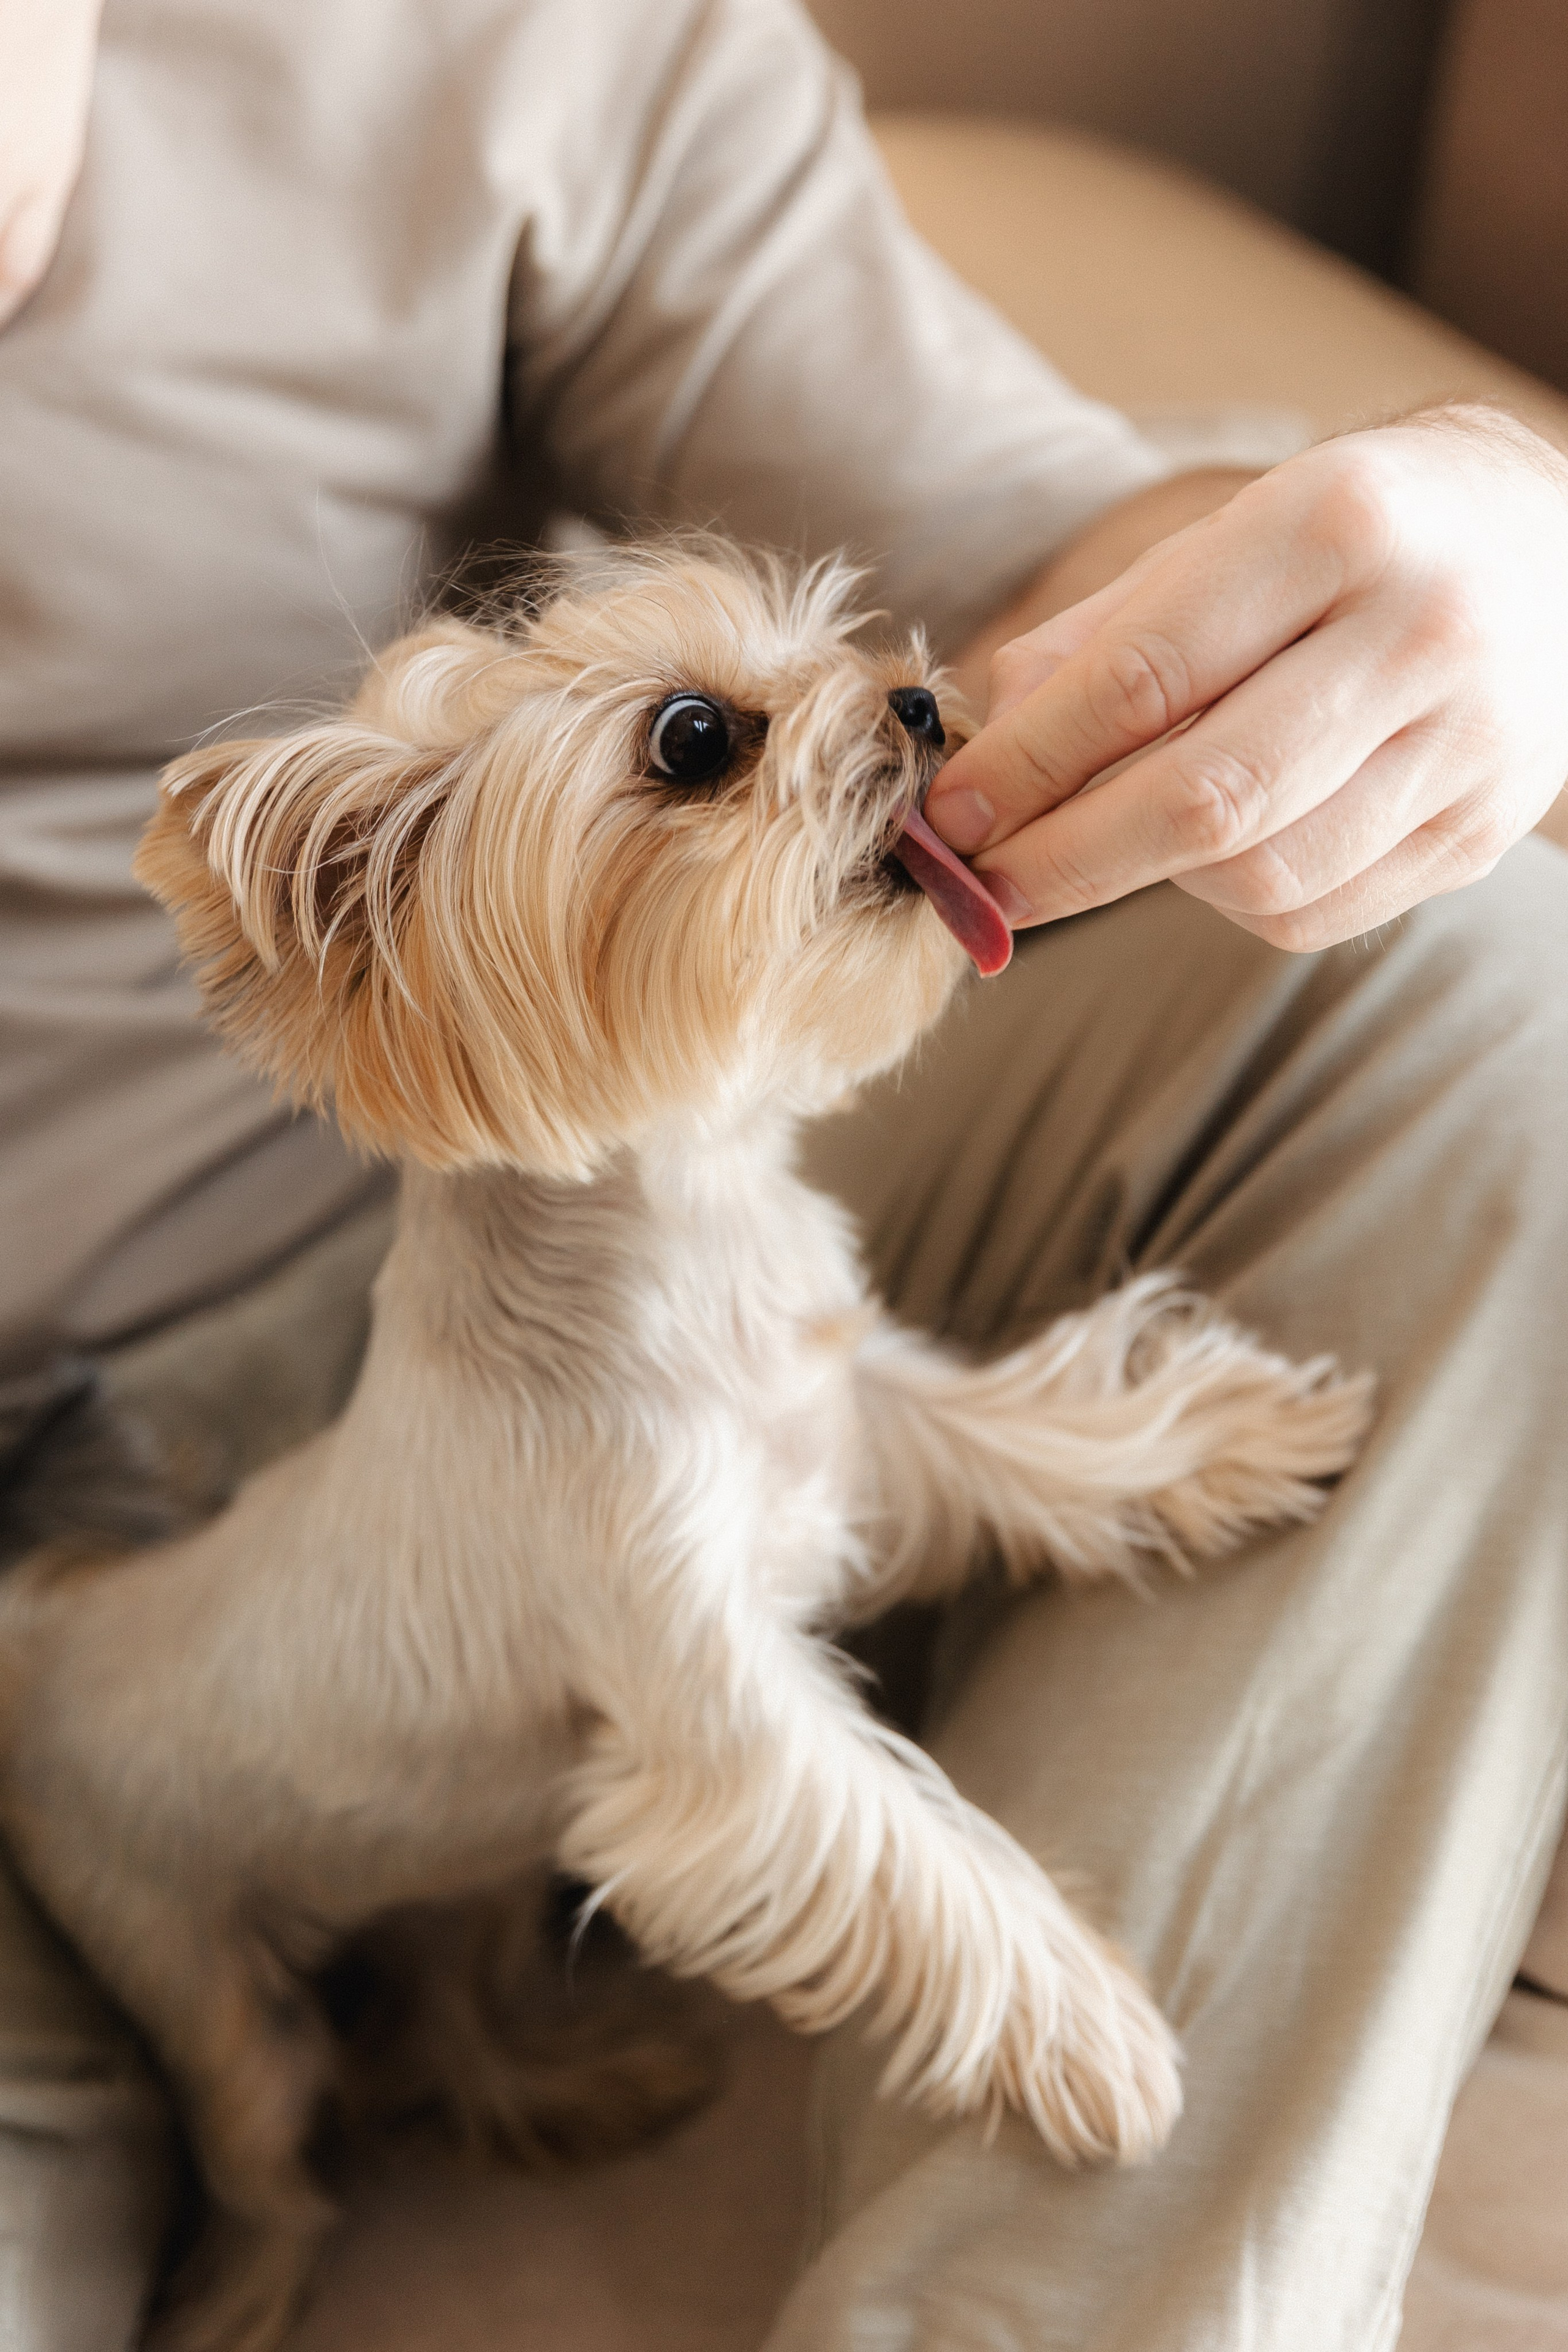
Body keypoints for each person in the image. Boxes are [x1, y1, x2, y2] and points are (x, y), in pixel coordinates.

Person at [1, 2, 1565, 2348]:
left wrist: (1469, 544)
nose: (886, 717)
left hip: (484, 1230)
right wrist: (1018, 1962)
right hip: (173, 1592)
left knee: (1500, 988)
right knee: (266, 2104)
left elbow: (1042, 560)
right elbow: (730, 1770)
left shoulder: (503, 38)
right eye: (703, 741)